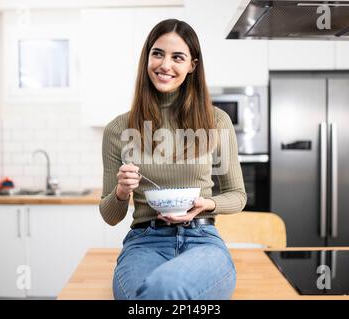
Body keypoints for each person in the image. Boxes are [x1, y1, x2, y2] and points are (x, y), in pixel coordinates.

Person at [99, 19, 246, 300]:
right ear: (147, 59)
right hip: (145, 242)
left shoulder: (216, 121)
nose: (165, 65)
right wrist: (120, 191)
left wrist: (208, 204)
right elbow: (110, 216)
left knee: (163, 290)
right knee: (155, 294)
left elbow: (237, 196)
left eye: (177, 57)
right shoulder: (118, 129)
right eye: (158, 54)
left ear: (192, 65)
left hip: (202, 240)